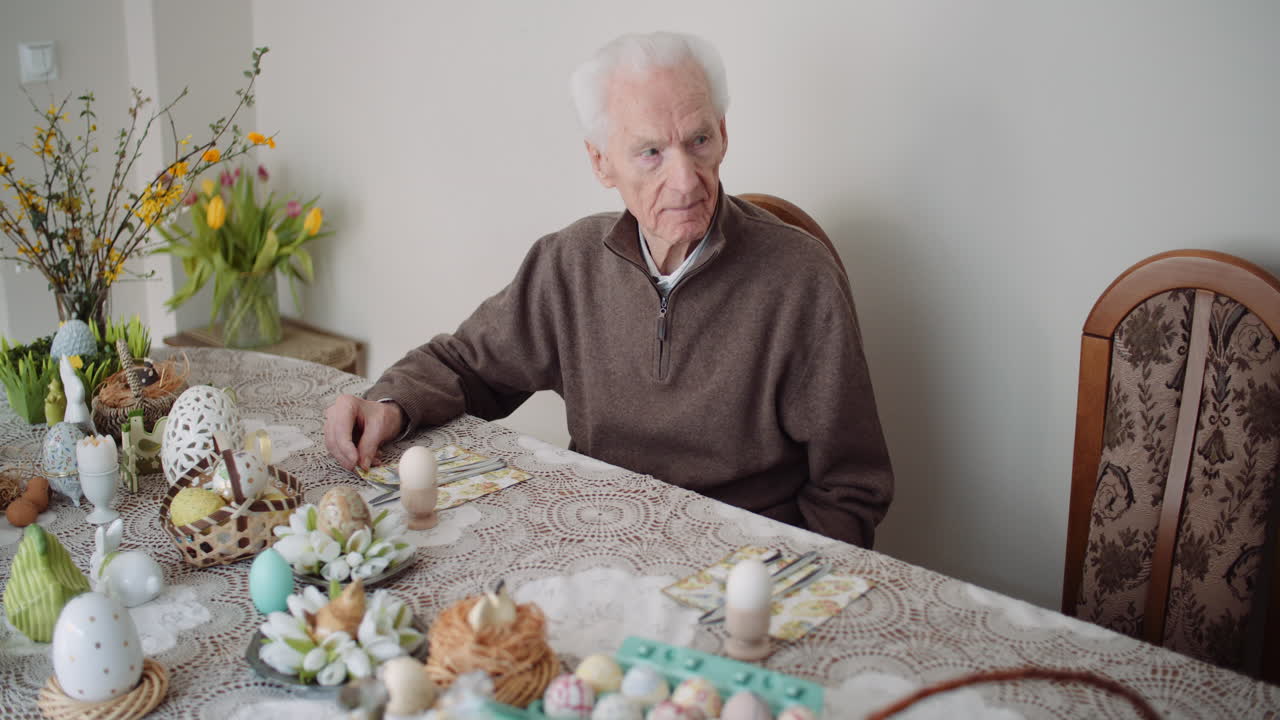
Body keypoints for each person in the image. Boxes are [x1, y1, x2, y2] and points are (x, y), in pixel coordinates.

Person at [324, 32, 894, 547]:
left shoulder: (800, 277)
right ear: (601, 162)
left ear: (723, 133)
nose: (685, 179)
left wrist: (782, 591)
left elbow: (850, 487)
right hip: (599, 537)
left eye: (698, 140)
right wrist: (388, 404)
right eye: (650, 152)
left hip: (743, 559)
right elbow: (466, 364)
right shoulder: (570, 262)